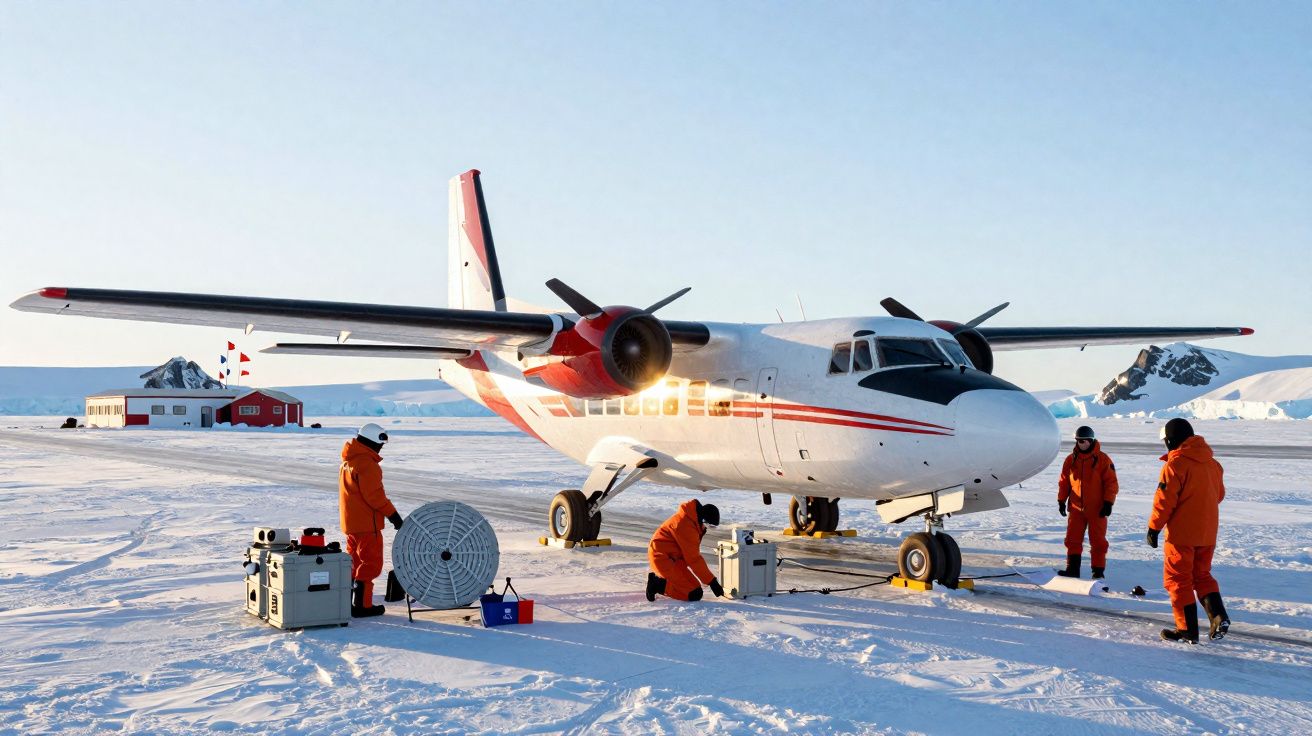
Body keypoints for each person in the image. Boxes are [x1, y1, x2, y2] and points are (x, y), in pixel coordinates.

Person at [1147, 418, 1231, 644]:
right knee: (1201, 576)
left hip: (1181, 535)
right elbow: (1219, 495)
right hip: (1207, 533)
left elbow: (1164, 501)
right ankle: (1218, 615)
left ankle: (1186, 630)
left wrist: (1154, 527)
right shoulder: (1213, 464)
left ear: (1171, 440)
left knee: (1178, 580)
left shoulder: (1174, 465)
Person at [339, 422, 405, 618]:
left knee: (354, 563)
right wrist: (393, 515)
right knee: (370, 564)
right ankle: (363, 606)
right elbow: (375, 496)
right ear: (374, 442)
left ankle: (348, 602)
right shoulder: (367, 464)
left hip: (351, 524)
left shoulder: (348, 462)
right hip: (368, 525)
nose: (381, 448)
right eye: (381, 444)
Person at [1056, 425, 1119, 579]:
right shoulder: (1070, 460)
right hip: (1076, 508)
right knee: (1072, 539)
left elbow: (1111, 483)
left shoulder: (1103, 460)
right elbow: (1064, 482)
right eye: (1078, 441)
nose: (1081, 444)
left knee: (1098, 541)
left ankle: (1097, 573)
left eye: (1084, 441)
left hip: (1097, 509)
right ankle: (1072, 569)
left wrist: (1108, 503)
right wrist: (1061, 500)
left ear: (1091, 441)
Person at [646, 500, 725, 602]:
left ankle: (663, 582)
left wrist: (709, 581)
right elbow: (694, 559)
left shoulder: (692, 520)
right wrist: (712, 582)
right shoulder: (686, 526)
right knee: (693, 594)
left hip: (674, 560)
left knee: (696, 589)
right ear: (704, 520)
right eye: (711, 526)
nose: (709, 529)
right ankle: (657, 585)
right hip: (662, 559)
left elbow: (692, 556)